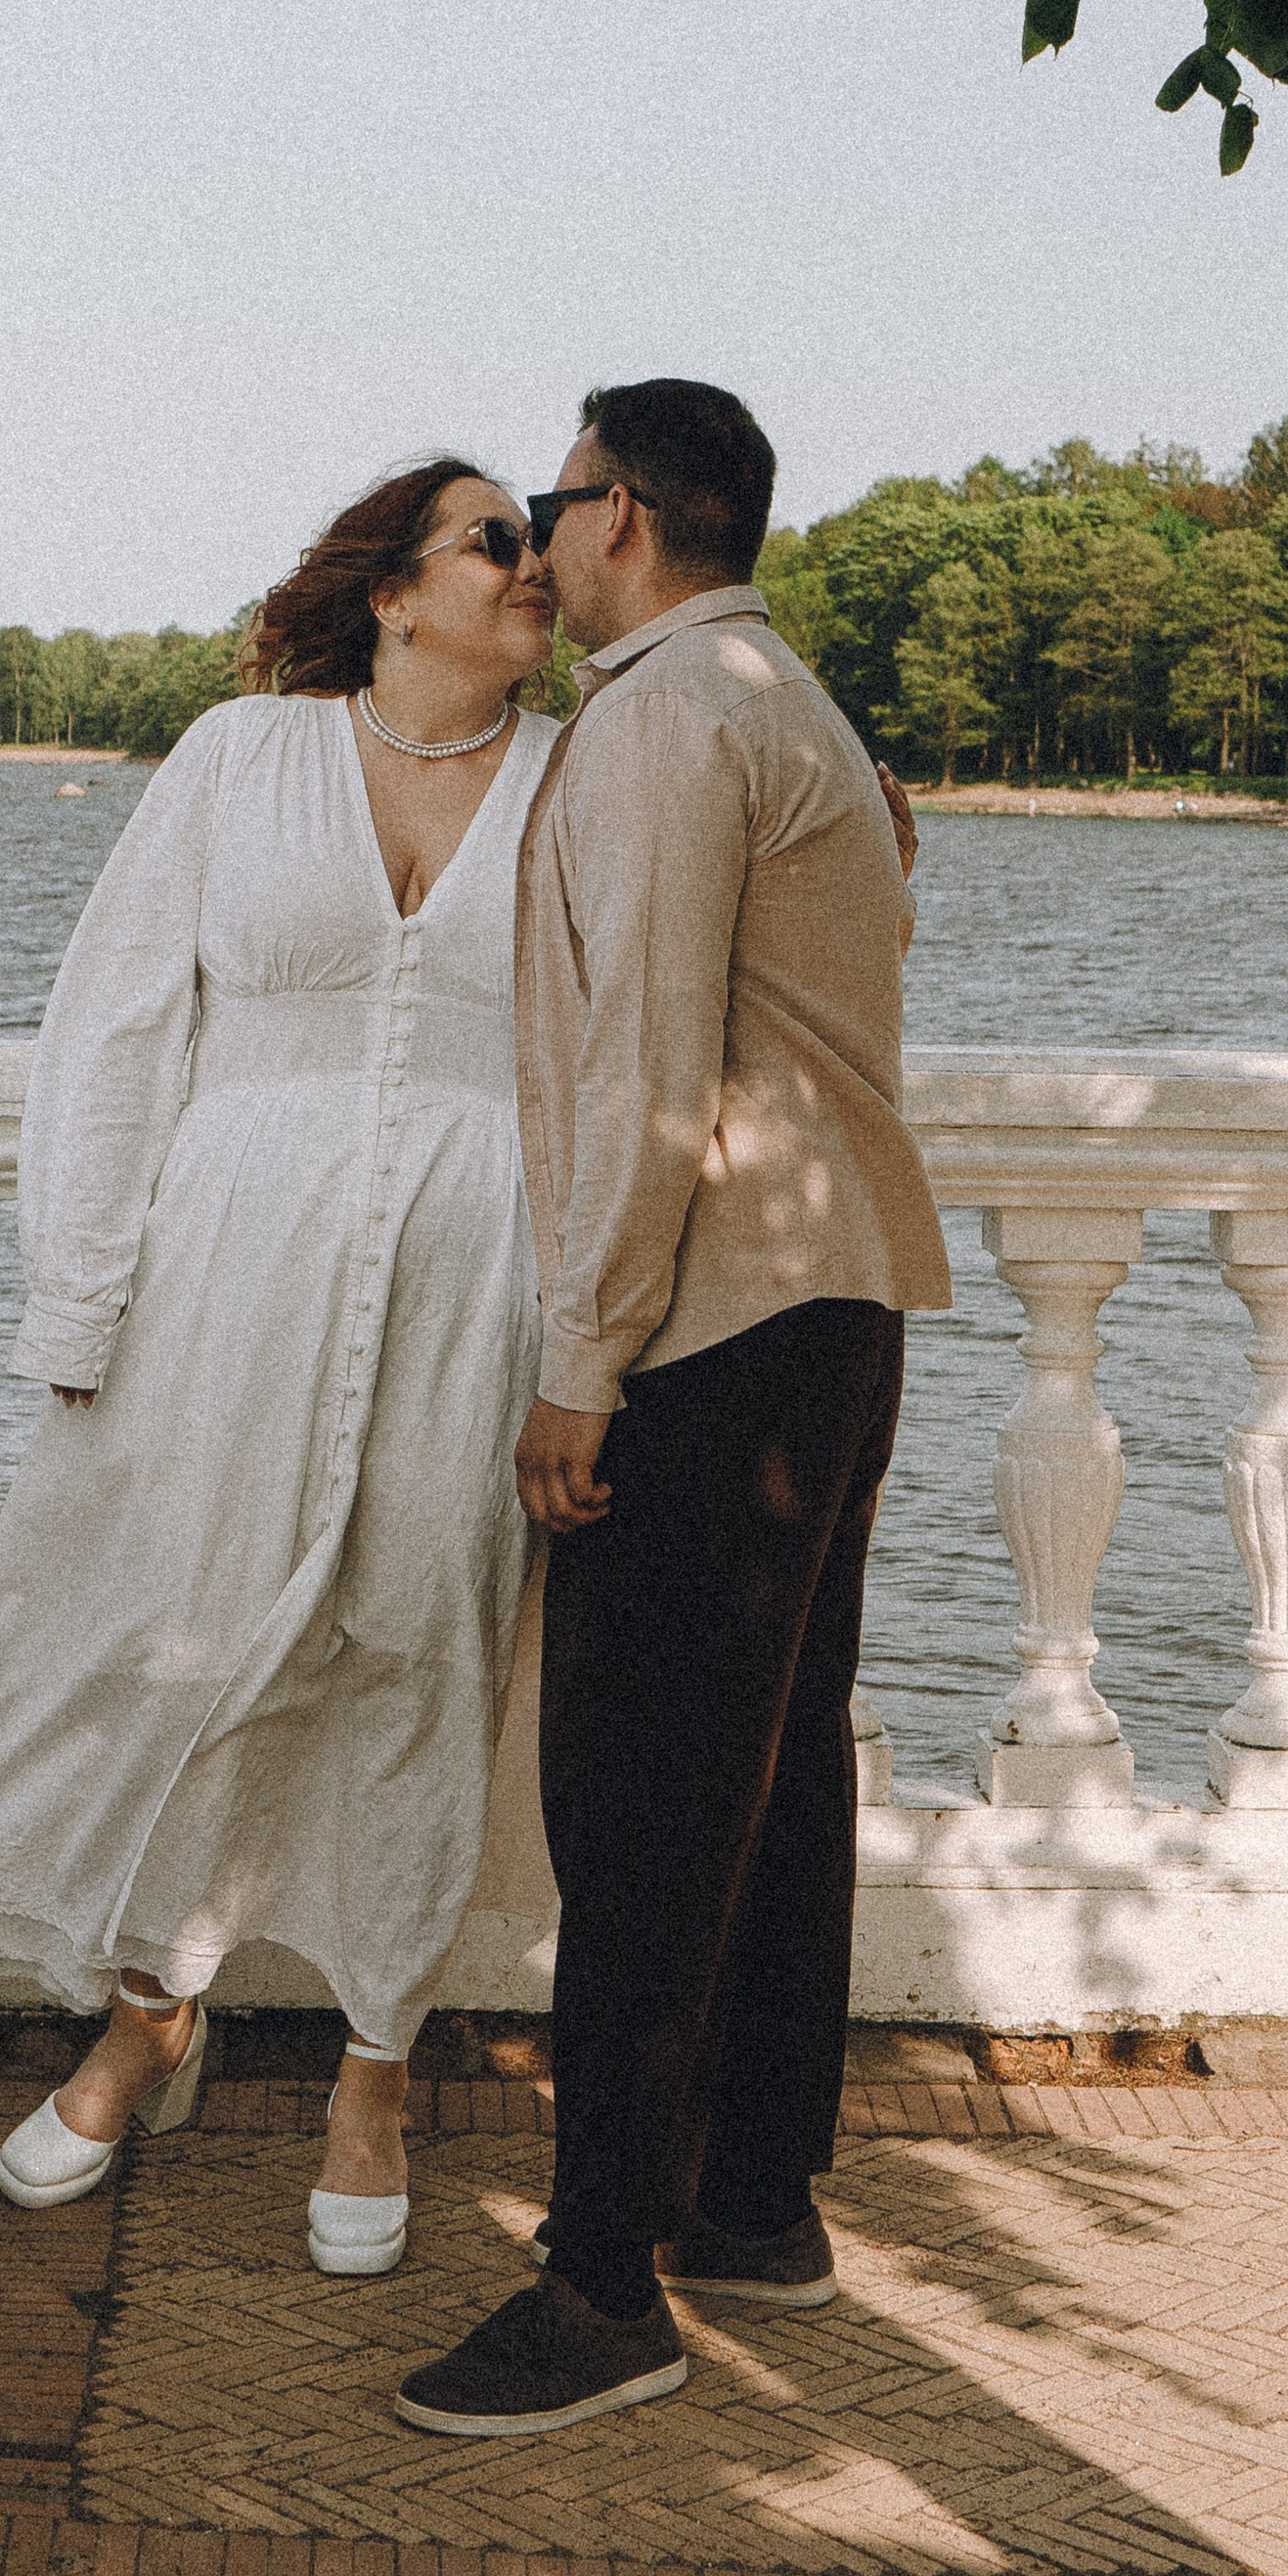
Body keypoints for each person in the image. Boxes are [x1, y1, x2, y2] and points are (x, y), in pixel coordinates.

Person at [0, 460, 561, 2279]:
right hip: (222, 1279)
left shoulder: (581, 782)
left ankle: (376, 2074)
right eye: (495, 540)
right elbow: (115, 1029)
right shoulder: (239, 756)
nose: (536, 564)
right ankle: (151, 2015)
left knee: (421, 1646)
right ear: (392, 591)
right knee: (182, 1641)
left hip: (477, 1288)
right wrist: (79, 1299)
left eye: (542, 537)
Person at [397, 378, 953, 2442]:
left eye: (551, 505)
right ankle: (750, 2203)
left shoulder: (660, 722)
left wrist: (581, 1361)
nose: (538, 543)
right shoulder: (784, 703)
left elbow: (647, 1066)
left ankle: (600, 2286)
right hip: (831, 1311)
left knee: (636, 1811)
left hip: (714, 1332)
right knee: (772, 1782)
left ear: (622, 513)